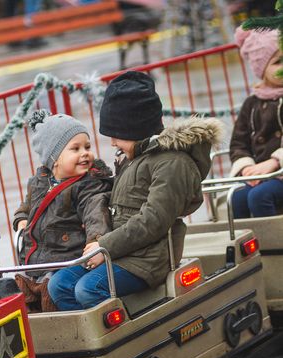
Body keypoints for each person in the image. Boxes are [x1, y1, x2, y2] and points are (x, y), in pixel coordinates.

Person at [48, 71, 224, 311]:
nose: (112, 142)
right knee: (59, 284)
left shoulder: (172, 163)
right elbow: (120, 200)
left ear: (135, 129)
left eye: (116, 135)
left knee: (88, 289)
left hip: (148, 258)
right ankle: (88, 333)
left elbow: (154, 220)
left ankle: (122, 331)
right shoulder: (134, 158)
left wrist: (105, 246)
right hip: (122, 250)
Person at [13, 109, 113, 311]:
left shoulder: (88, 185)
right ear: (54, 158)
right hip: (36, 259)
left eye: (87, 147)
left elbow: (95, 213)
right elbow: (28, 204)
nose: (85, 153)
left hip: (66, 257)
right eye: (75, 149)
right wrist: (21, 218)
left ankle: (64, 326)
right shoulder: (39, 181)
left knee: (51, 295)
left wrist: (96, 240)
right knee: (18, 292)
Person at [230, 26, 283, 219]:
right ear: (262, 68)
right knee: (237, 197)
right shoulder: (252, 103)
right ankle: (249, 238)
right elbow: (239, 142)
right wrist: (247, 168)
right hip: (262, 175)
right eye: (278, 62)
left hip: (278, 170)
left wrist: (275, 162)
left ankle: (273, 238)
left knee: (260, 196)